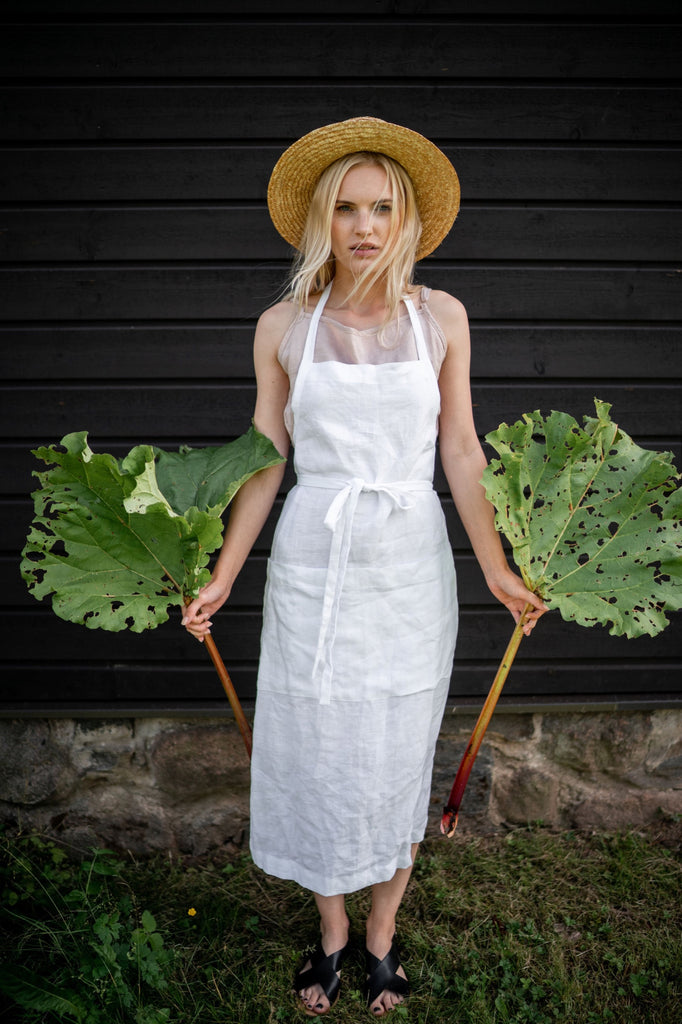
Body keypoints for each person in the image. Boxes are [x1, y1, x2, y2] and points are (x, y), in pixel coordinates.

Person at [182, 116, 546, 1017]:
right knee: (318, 743)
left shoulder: (442, 319)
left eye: (383, 207)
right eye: (346, 208)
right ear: (321, 220)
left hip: (409, 561)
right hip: (316, 555)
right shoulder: (284, 326)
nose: (365, 227)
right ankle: (333, 932)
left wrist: (495, 566)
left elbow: (460, 451)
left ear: (408, 219)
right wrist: (226, 572)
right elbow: (267, 456)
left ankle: (383, 936)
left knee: (392, 743)